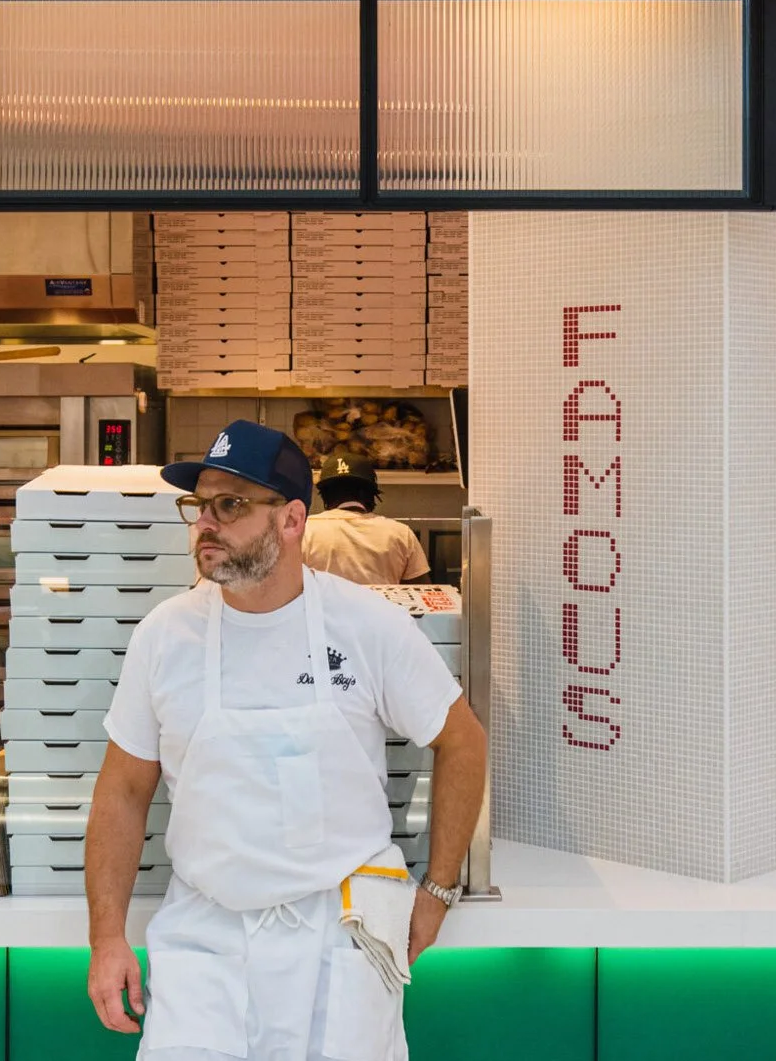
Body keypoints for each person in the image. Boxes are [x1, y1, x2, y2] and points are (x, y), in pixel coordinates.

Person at [84, 419, 487, 1061]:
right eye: (198, 506)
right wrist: (106, 938)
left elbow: (462, 741)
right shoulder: (165, 635)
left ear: (292, 519)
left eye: (230, 505)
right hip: (206, 941)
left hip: (342, 937)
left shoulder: (368, 625)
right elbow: (123, 792)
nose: (205, 524)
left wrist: (437, 892)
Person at [301, 453, 432, 587]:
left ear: (325, 495)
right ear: (369, 494)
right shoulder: (401, 533)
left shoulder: (304, 530)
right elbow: (423, 591)